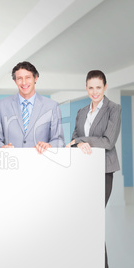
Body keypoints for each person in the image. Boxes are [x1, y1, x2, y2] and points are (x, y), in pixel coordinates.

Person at [66, 70, 121, 268]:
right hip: (83, 172)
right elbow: (73, 139)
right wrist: (77, 143)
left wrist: (81, 140)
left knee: (94, 219)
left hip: (103, 171)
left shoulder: (114, 109)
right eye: (91, 87)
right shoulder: (82, 112)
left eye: (98, 87)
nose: (95, 91)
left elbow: (108, 141)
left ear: (105, 87)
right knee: (84, 220)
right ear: (86, 88)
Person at [0, 61, 65, 153]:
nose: (24, 82)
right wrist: (1, 147)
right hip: (11, 162)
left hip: (42, 162)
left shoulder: (52, 106)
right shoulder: (1, 105)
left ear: (36, 78)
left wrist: (49, 145)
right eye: (19, 78)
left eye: (28, 77)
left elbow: (59, 140)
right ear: (15, 81)